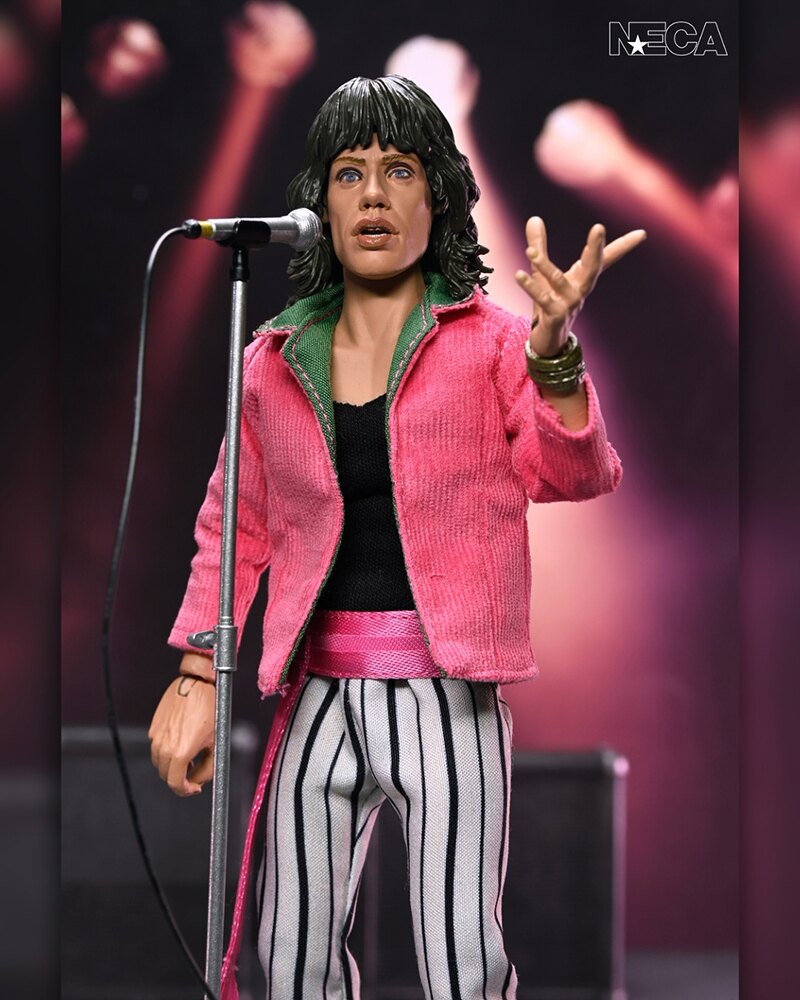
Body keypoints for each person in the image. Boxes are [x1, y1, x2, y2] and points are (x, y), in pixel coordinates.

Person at [149, 75, 645, 1000]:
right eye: (349, 173)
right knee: (290, 958)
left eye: (400, 170)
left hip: (445, 692)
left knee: (462, 962)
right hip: (318, 691)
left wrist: (554, 359)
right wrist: (197, 670)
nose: (373, 194)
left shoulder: (492, 344)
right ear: (320, 202)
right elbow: (232, 522)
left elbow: (572, 474)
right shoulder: (273, 359)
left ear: (439, 197)